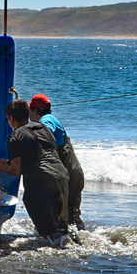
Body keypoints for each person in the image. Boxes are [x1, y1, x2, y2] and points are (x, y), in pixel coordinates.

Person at [0, 99, 70, 246]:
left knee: (47, 231)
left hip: (41, 180)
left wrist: (1, 167)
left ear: (11, 118)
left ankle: (53, 252)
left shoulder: (15, 136)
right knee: (62, 228)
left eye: (7, 119)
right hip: (61, 175)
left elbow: (16, 170)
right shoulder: (43, 128)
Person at [29, 94, 86, 230]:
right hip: (72, 174)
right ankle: (80, 238)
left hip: (67, 177)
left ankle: (66, 239)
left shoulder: (46, 120)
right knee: (71, 218)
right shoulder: (50, 119)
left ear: (34, 110)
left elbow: (46, 131)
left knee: (62, 219)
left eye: (29, 110)